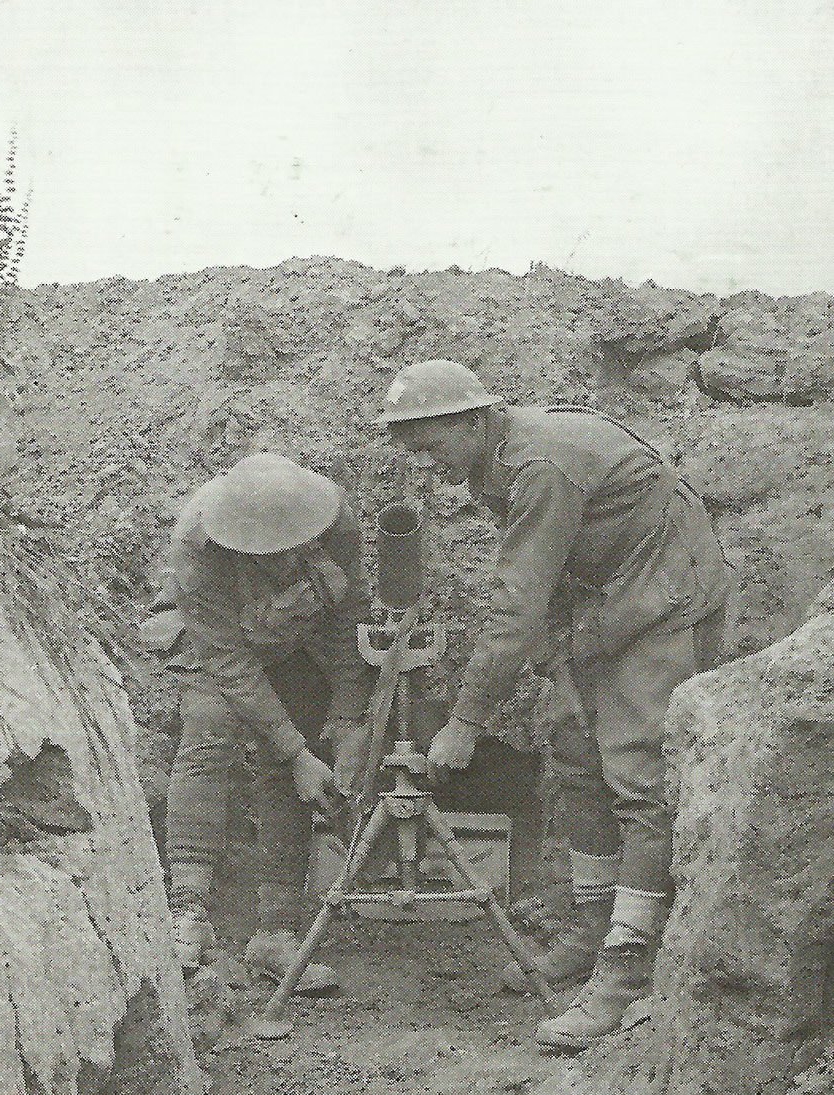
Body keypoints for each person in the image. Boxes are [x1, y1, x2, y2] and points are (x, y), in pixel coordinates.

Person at [377, 360, 730, 1048]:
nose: (427, 464)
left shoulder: (540, 465)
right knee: (572, 746)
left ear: (476, 420)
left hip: (664, 591)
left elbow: (517, 600)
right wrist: (552, 666)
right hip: (603, 592)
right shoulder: (492, 463)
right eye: (414, 451)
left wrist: (466, 721)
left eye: (432, 445)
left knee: (637, 775)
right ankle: (592, 927)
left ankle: (625, 972)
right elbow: (543, 578)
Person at [143, 452, 372, 987]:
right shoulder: (196, 551)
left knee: (289, 757)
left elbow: (348, 618)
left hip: (297, 633)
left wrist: (348, 718)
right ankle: (188, 911)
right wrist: (297, 752)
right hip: (220, 644)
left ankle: (275, 932)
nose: (280, 561)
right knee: (208, 734)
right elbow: (231, 665)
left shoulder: (332, 518)